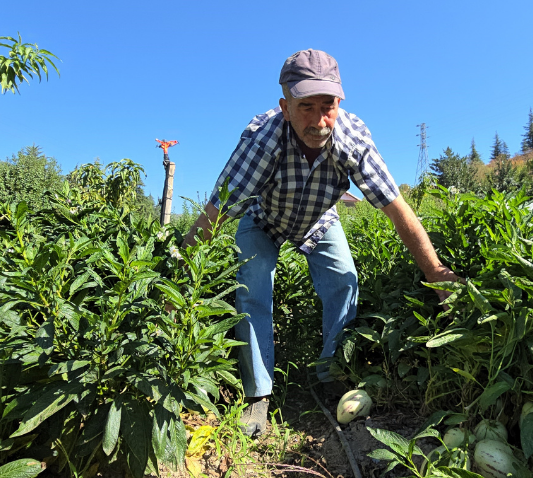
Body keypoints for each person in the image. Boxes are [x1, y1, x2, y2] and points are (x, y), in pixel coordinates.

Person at [184, 49, 460, 437]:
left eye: (327, 106)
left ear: (340, 102)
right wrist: (177, 281)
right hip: (263, 220)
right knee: (252, 289)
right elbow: (216, 212)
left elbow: (398, 210)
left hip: (319, 219)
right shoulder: (262, 141)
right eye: (306, 107)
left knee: (343, 282)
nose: (318, 121)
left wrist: (435, 272)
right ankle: (257, 395)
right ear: (285, 106)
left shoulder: (352, 138)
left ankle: (333, 373)